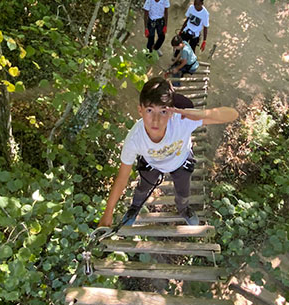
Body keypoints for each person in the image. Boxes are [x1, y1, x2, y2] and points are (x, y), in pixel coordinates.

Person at [98, 77, 238, 227]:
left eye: (163, 111)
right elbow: (122, 178)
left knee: (183, 191)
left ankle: (184, 209)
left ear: (171, 112)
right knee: (142, 188)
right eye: (150, 110)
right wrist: (108, 213)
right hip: (152, 164)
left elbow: (232, 114)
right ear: (140, 110)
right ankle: (134, 207)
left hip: (181, 161)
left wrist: (198, 114)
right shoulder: (135, 139)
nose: (156, 120)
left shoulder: (182, 121)